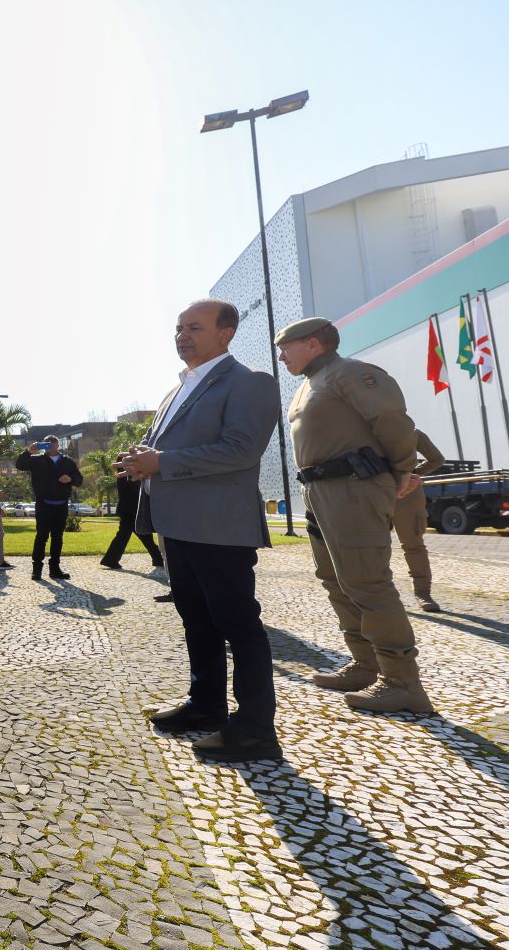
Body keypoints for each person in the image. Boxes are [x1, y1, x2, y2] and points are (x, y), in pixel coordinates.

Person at [119, 299, 281, 763]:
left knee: (239, 626)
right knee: (197, 621)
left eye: (194, 327)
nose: (182, 335)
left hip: (219, 528)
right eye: (178, 328)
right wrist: (141, 459)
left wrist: (162, 463)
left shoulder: (250, 382)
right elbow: (161, 447)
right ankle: (206, 706)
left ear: (226, 333)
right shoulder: (178, 389)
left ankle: (254, 730)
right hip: (177, 525)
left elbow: (242, 450)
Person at [277, 317, 433, 715]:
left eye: (286, 347)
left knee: (367, 582)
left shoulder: (351, 373)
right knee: (335, 580)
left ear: (313, 343)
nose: (281, 356)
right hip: (319, 491)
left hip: (353, 487)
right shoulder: (309, 384)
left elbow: (395, 424)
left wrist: (400, 472)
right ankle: (367, 665)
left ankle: (402, 684)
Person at [394, 429, 445, 613]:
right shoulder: (366, 431)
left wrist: (413, 473)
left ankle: (423, 593)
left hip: (408, 494)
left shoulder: (412, 433)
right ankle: (382, 595)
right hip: (376, 492)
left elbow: (437, 459)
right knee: (375, 546)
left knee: (413, 545)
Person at [17, 436, 82, 580]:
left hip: (61, 504)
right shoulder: (37, 460)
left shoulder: (67, 461)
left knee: (57, 537)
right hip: (43, 504)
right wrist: (28, 451)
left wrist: (70, 479)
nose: (51, 446)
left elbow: (79, 479)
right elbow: (20, 465)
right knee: (41, 536)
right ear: (43, 445)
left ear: (58, 445)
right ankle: (37, 569)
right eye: (48, 443)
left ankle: (55, 569)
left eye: (54, 443)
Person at [99, 474, 164, 570]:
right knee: (138, 534)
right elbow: (136, 488)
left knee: (136, 535)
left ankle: (110, 559)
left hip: (129, 509)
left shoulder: (125, 473)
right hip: (131, 509)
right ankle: (157, 558)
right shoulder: (127, 474)